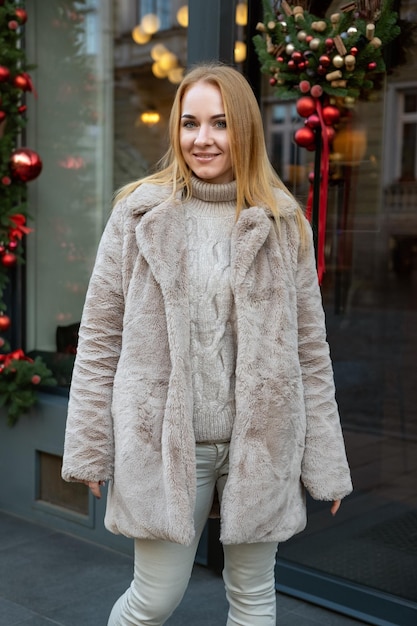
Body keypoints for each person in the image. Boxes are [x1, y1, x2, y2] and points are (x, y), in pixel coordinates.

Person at [62, 63, 353, 626]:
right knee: (153, 600)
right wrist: (91, 446)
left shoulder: (281, 221)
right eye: (190, 123)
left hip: (260, 441)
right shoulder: (139, 214)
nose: (203, 139)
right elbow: (100, 338)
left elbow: (310, 351)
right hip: (167, 443)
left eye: (219, 123)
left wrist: (326, 460)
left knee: (253, 597)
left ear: (243, 129)